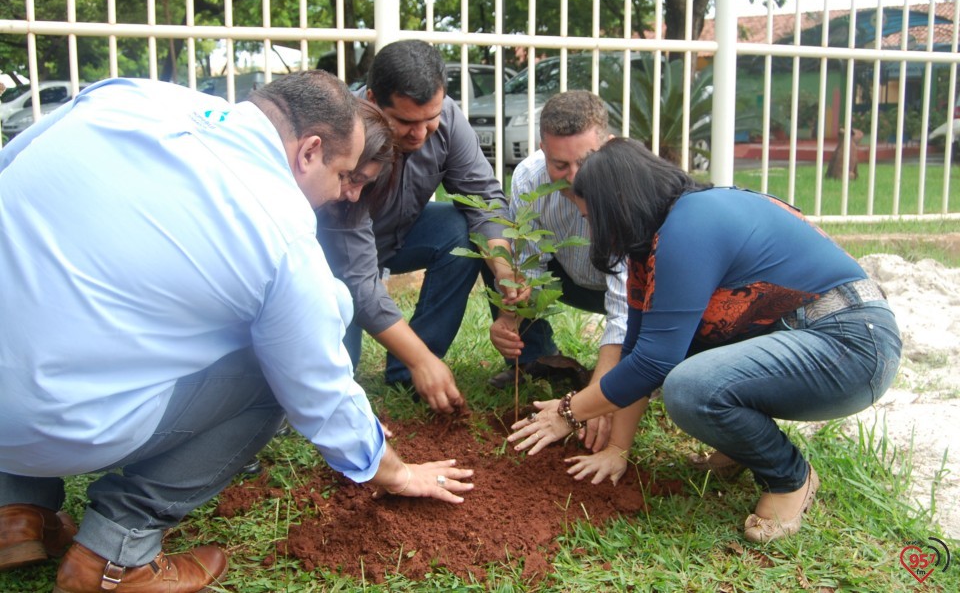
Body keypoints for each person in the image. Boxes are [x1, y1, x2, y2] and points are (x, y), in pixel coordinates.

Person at [0, 73, 474, 593]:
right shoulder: (280, 228)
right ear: (309, 151)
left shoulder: (123, 98)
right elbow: (319, 388)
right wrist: (398, 473)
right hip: (62, 422)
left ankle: (14, 509)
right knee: (278, 364)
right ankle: (116, 556)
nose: (342, 193)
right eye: (342, 175)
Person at [507, 138, 901, 543]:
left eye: (592, 217)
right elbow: (639, 349)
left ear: (619, 206)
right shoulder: (654, 243)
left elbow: (653, 366)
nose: (591, 228)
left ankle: (789, 478)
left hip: (850, 343)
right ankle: (741, 444)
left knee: (689, 387)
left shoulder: (690, 225)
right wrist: (617, 449)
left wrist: (568, 412)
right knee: (683, 355)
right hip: (798, 334)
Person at [316, 39, 517, 414]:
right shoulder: (347, 138)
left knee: (459, 228)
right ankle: (419, 362)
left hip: (402, 234)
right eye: (406, 122)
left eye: (431, 119)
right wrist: (419, 358)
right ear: (373, 99)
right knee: (337, 377)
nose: (421, 134)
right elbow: (358, 278)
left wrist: (503, 269)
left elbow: (483, 198)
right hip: (333, 263)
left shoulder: (448, 119)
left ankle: (413, 372)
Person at [487, 90, 633, 452]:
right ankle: (536, 361)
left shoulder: (631, 190)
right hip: (568, 276)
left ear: (608, 145)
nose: (574, 178)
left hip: (633, 291)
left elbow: (624, 312)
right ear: (541, 148)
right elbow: (526, 266)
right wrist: (509, 319)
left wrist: (600, 398)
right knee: (496, 248)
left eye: (585, 161)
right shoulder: (528, 178)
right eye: (560, 165)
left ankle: (646, 373)